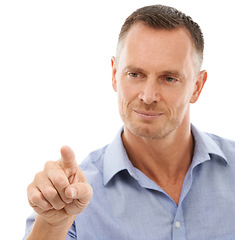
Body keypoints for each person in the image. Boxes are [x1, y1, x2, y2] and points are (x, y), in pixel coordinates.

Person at [23, 5, 235, 240]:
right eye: (135, 74)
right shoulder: (71, 198)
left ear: (197, 87)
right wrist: (52, 226)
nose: (148, 96)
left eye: (169, 78)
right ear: (114, 75)